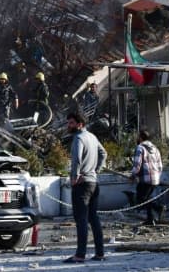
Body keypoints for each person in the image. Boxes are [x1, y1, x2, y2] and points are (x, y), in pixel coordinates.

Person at [64, 112, 107, 264]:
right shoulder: (92, 137)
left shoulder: (78, 138)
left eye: (71, 123)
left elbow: (76, 159)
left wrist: (74, 178)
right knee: (93, 218)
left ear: (80, 124)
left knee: (81, 219)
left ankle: (80, 255)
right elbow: (104, 153)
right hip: (94, 183)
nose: (69, 126)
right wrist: (96, 170)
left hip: (82, 184)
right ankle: (100, 253)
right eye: (68, 123)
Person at [130, 129, 164, 226]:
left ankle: (158, 208)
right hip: (155, 179)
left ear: (140, 137)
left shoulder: (140, 148)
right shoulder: (155, 148)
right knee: (147, 198)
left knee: (141, 198)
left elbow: (137, 164)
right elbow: (160, 166)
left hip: (145, 179)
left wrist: (133, 175)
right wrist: (157, 176)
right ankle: (150, 219)